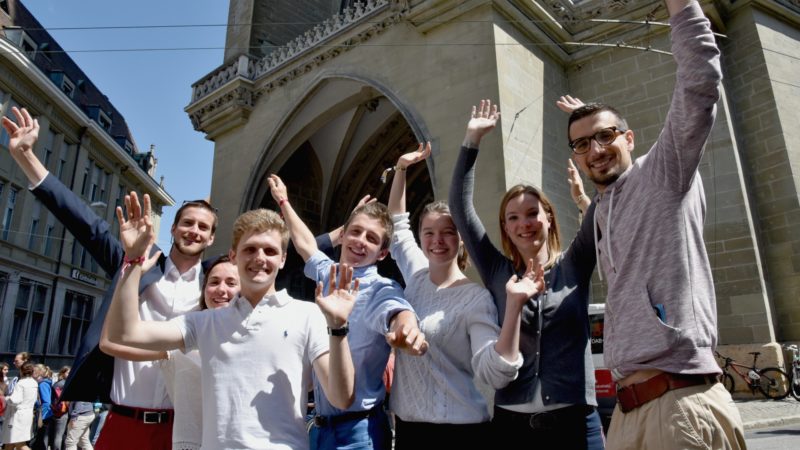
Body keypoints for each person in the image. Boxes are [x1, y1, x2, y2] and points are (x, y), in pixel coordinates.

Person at [564, 1, 745, 448]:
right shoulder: (606, 206)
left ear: (629, 138)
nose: (595, 150)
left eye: (606, 136)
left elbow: (699, 83)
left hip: (677, 404)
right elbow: (630, 240)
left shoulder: (661, 171)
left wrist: (681, 7)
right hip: (629, 413)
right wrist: (585, 201)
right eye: (582, 144)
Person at [1, 107, 218, 450]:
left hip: (184, 431)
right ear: (173, 228)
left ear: (211, 239)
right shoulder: (135, 263)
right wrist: (26, 156)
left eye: (203, 227)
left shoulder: (217, 284)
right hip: (123, 422)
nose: (194, 231)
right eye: (187, 223)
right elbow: (84, 222)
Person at [104, 192, 358, 449]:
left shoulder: (307, 314)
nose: (260, 258)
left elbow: (340, 397)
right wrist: (133, 262)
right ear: (234, 256)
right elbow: (123, 334)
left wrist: (338, 328)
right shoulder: (204, 322)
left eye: (270, 251)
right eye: (250, 249)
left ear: (282, 259)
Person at [449, 100, 603, 449]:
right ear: (504, 226)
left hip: (576, 422)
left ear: (548, 216)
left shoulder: (574, 263)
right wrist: (471, 140)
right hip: (512, 426)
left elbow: (605, 205)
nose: (524, 224)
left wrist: (587, 123)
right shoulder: (497, 269)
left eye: (532, 213)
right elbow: (459, 206)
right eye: (513, 218)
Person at [385, 143, 544, 448]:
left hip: (461, 433)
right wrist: (402, 168)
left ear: (460, 240)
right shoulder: (416, 276)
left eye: (447, 232)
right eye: (429, 233)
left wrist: (513, 307)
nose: (437, 240)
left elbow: (493, 371)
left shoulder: (475, 299)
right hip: (408, 431)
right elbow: (397, 224)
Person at [269, 174, 427, 450]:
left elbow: (399, 311)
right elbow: (305, 244)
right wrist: (283, 200)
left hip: (358, 433)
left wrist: (408, 329)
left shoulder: (381, 287)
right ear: (343, 235)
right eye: (355, 232)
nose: (360, 241)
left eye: (371, 238)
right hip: (318, 428)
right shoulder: (330, 273)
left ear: (382, 253)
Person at [158, 256, 239, 450]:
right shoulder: (183, 335)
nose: (221, 289)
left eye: (231, 283)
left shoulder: (261, 335)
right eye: (214, 282)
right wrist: (131, 268)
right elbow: (117, 340)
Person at [2, 362, 38, 450]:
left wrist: (5, 398)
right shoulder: (34, 382)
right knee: (9, 442)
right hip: (27, 414)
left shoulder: (21, 383)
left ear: (22, 371)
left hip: (17, 416)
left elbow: (15, 400)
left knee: (20, 444)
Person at [31, 365, 53, 450]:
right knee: (39, 440)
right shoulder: (42, 383)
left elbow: (46, 402)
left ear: (39, 373)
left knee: (38, 440)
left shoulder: (42, 384)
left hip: (43, 416)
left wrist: (41, 417)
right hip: (44, 415)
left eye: (33, 371)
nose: (32, 373)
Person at [49, 367, 71, 450]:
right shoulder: (65, 384)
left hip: (54, 411)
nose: (69, 375)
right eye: (68, 373)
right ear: (62, 373)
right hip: (63, 412)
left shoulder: (56, 384)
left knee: (55, 434)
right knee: (59, 435)